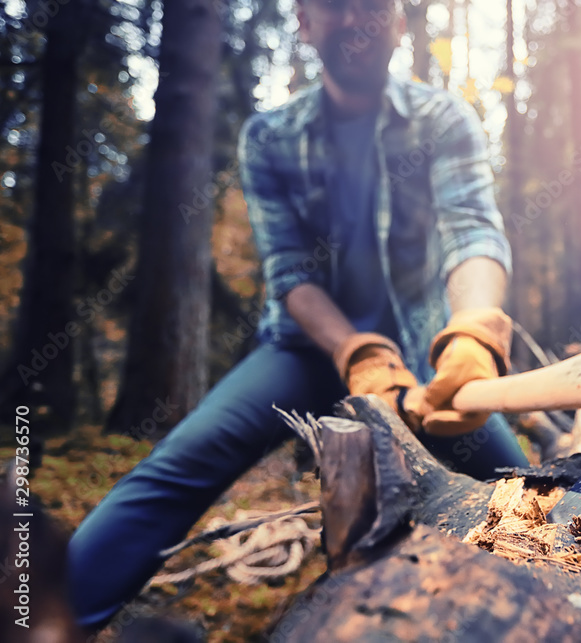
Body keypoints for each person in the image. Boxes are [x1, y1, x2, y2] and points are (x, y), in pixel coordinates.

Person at [67, 0, 529, 632]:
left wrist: (475, 332)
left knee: (519, 486)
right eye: (333, 6)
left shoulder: (441, 119)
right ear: (305, 24)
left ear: (397, 22)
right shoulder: (270, 137)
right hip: (302, 351)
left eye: (373, 5)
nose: (355, 20)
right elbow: (291, 275)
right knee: (182, 463)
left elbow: (472, 233)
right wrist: (356, 353)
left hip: (427, 353)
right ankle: (41, 616)